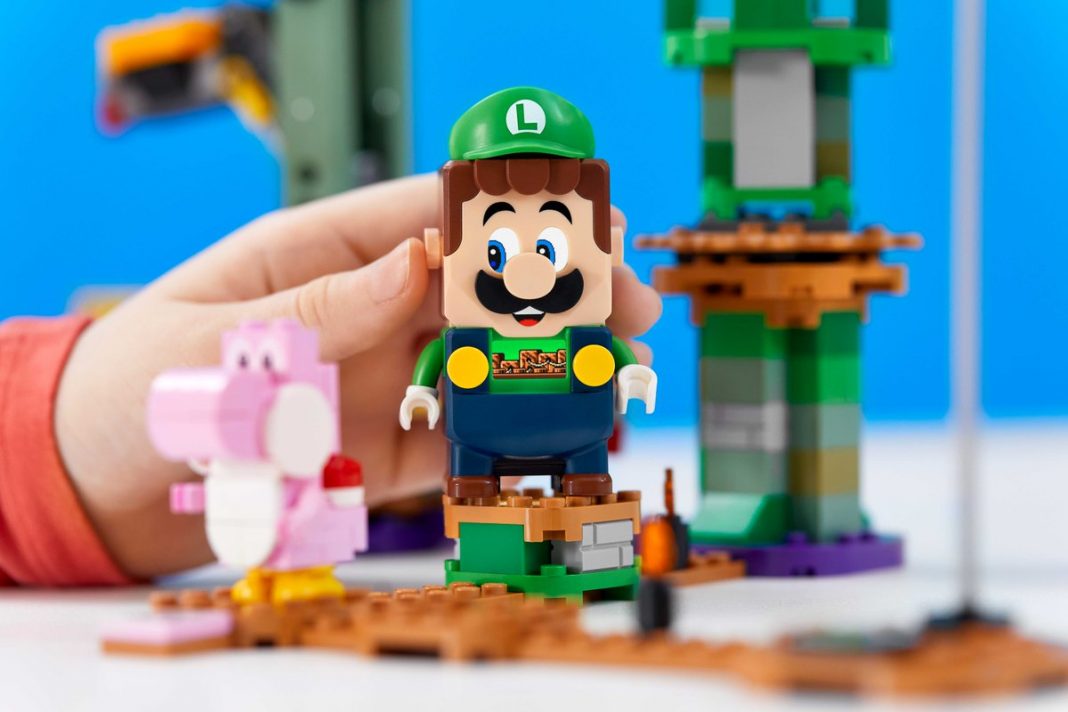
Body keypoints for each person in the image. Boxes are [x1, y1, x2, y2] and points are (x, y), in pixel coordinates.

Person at [0, 174, 661, 585]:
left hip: (569, 424)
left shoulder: (582, 336)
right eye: (498, 251)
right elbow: (434, 365)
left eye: (548, 249)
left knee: (582, 478)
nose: (528, 274)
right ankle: (492, 545)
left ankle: (587, 540)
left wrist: (630, 376)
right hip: (480, 432)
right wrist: (420, 391)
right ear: (449, 252)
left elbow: (618, 353)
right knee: (476, 486)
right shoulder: (464, 340)